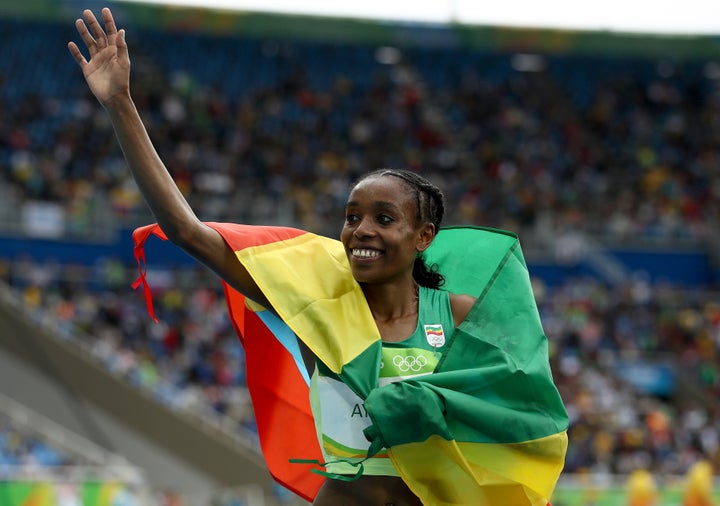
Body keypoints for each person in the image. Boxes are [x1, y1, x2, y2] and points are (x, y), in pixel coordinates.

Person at [69, 8, 568, 505]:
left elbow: (512, 419)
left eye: (384, 219)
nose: (361, 231)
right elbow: (186, 231)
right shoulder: (316, 302)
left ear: (424, 236)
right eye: (352, 217)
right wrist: (120, 104)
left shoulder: (456, 315)